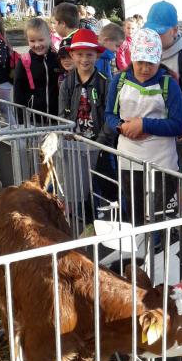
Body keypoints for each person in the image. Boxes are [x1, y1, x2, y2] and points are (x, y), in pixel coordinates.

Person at [104, 28, 182, 226]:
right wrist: (121, 127)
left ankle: (164, 251)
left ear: (159, 60)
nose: (145, 68)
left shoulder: (169, 84)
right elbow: (109, 115)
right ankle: (140, 252)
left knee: (164, 215)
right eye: (140, 62)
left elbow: (177, 125)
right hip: (129, 159)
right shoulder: (119, 81)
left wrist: (144, 124)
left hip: (162, 160)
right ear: (133, 58)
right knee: (135, 214)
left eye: (151, 63)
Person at [144, 1, 182, 176]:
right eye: (151, 30)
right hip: (149, 138)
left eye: (160, 32)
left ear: (174, 30)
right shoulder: (145, 52)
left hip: (177, 139)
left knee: (175, 186)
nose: (154, 36)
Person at [59, 28, 110, 221]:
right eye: (79, 54)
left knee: (104, 183)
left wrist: (102, 141)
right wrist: (67, 133)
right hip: (76, 142)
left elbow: (110, 114)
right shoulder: (67, 83)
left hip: (98, 143)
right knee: (80, 184)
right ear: (72, 55)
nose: (84, 59)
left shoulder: (105, 82)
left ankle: (108, 218)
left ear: (97, 55)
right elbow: (61, 113)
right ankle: (88, 221)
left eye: (89, 54)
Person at [13, 18, 59, 124]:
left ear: (49, 36)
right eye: (32, 41)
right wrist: (20, 120)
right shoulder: (24, 61)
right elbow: (18, 93)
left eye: (41, 40)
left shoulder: (58, 59)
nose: (37, 45)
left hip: (57, 118)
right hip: (34, 119)